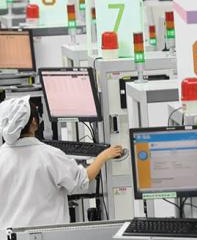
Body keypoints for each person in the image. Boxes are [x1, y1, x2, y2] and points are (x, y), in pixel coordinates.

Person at [0, 96, 123, 229]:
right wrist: (103, 156)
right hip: (47, 239)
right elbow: (81, 181)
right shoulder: (49, 155)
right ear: (34, 122)